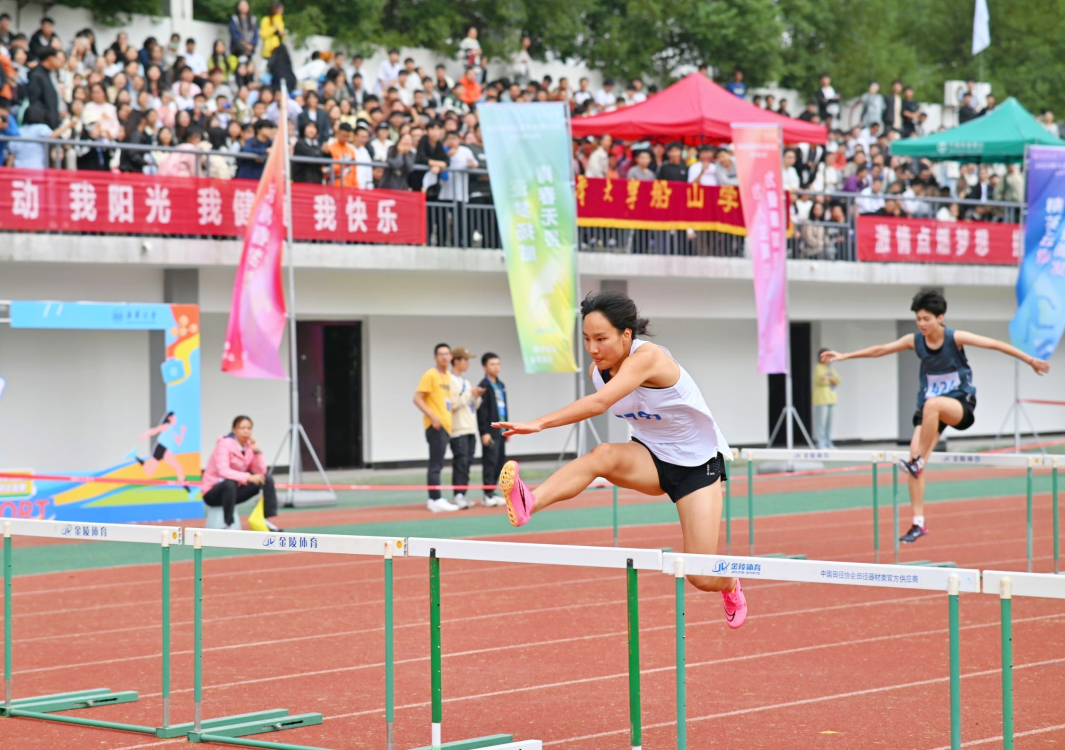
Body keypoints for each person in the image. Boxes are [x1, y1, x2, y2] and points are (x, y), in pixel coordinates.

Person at [492, 291, 746, 628]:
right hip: (650, 456)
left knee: (700, 575)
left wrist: (539, 423)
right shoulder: (599, 371)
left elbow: (598, 405)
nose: (593, 348)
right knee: (603, 455)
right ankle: (529, 502)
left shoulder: (648, 357)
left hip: (697, 466)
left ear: (626, 335)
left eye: (601, 339)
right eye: (586, 339)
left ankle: (730, 583)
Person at [820, 290, 1050, 544]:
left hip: (959, 406)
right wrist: (846, 355)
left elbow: (995, 344)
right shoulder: (915, 340)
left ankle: (919, 461)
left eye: (926, 319)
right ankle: (918, 522)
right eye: (918, 318)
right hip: (930, 411)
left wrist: (1030, 360)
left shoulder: (955, 338)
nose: (921, 324)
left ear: (940, 318)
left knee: (930, 413)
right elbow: (881, 349)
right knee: (914, 452)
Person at [201, 415, 282, 531]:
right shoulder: (223, 445)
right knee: (229, 483)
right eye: (242, 428)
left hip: (234, 492)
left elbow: (261, 471)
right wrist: (248, 477)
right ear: (234, 430)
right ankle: (228, 524)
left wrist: (257, 451)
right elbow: (223, 471)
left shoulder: (249, 447)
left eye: (249, 428)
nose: (246, 431)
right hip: (212, 493)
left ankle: (265, 519)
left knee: (266, 479)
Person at [414, 343, 459, 513]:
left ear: (451, 357)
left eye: (447, 354)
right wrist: (433, 417)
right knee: (435, 464)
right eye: (441, 354)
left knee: (439, 463)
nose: (444, 357)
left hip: (446, 426)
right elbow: (417, 398)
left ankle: (436, 498)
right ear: (435, 357)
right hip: (435, 426)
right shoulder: (431, 374)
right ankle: (434, 499)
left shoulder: (448, 375)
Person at [448, 347, 485, 510]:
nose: (468, 363)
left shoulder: (465, 381)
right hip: (458, 429)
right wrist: (470, 394)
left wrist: (476, 396)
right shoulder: (449, 380)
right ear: (456, 360)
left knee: (468, 462)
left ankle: (463, 494)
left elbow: (473, 405)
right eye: (465, 359)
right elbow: (452, 404)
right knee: (460, 462)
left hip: (470, 428)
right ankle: (458, 495)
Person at [477, 352, 508, 507]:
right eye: (492, 364)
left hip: (501, 430)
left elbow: (504, 408)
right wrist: (484, 432)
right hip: (490, 431)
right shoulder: (484, 385)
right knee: (490, 461)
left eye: (498, 364)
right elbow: (481, 412)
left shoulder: (501, 385)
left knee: (499, 461)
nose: (496, 367)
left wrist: (507, 427)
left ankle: (493, 492)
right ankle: (487, 494)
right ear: (485, 367)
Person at [133, 411, 191, 493]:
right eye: (174, 417)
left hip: (165, 450)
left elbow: (179, 442)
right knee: (149, 472)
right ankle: (135, 457)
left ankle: (187, 488)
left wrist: (183, 431)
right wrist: (145, 435)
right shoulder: (166, 426)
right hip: (160, 448)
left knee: (178, 467)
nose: (176, 418)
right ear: (169, 418)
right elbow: (154, 430)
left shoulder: (172, 430)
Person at [812, 350, 840, 449]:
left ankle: (828, 442)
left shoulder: (830, 368)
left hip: (831, 398)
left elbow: (837, 380)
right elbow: (821, 380)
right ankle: (821, 443)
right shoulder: (818, 367)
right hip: (821, 399)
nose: (829, 359)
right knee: (820, 422)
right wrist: (831, 379)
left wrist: (829, 378)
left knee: (828, 423)